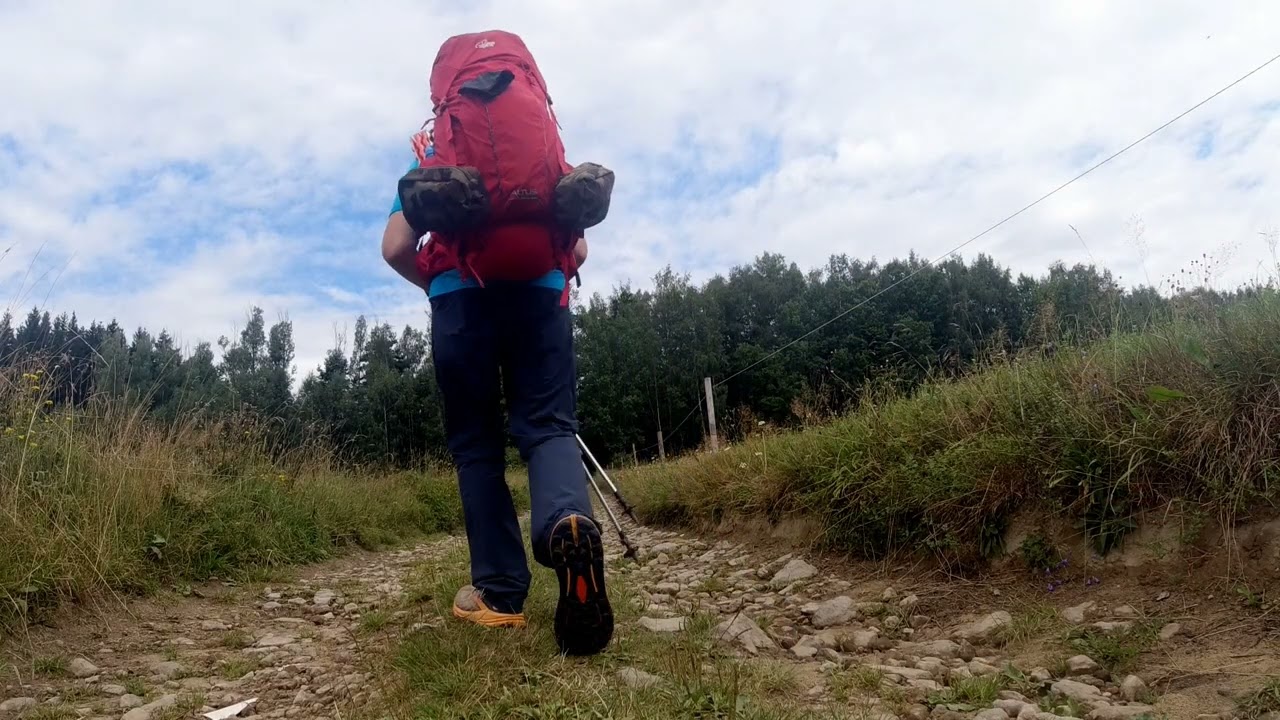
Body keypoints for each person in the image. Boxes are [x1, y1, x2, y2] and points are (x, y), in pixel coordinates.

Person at [380, 145, 614, 657]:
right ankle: (566, 523)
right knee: (550, 426)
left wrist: (436, 283)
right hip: (540, 296)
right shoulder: (543, 152)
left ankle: (501, 593)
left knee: (476, 448)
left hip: (458, 300)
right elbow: (576, 252)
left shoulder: (432, 163)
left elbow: (395, 247)